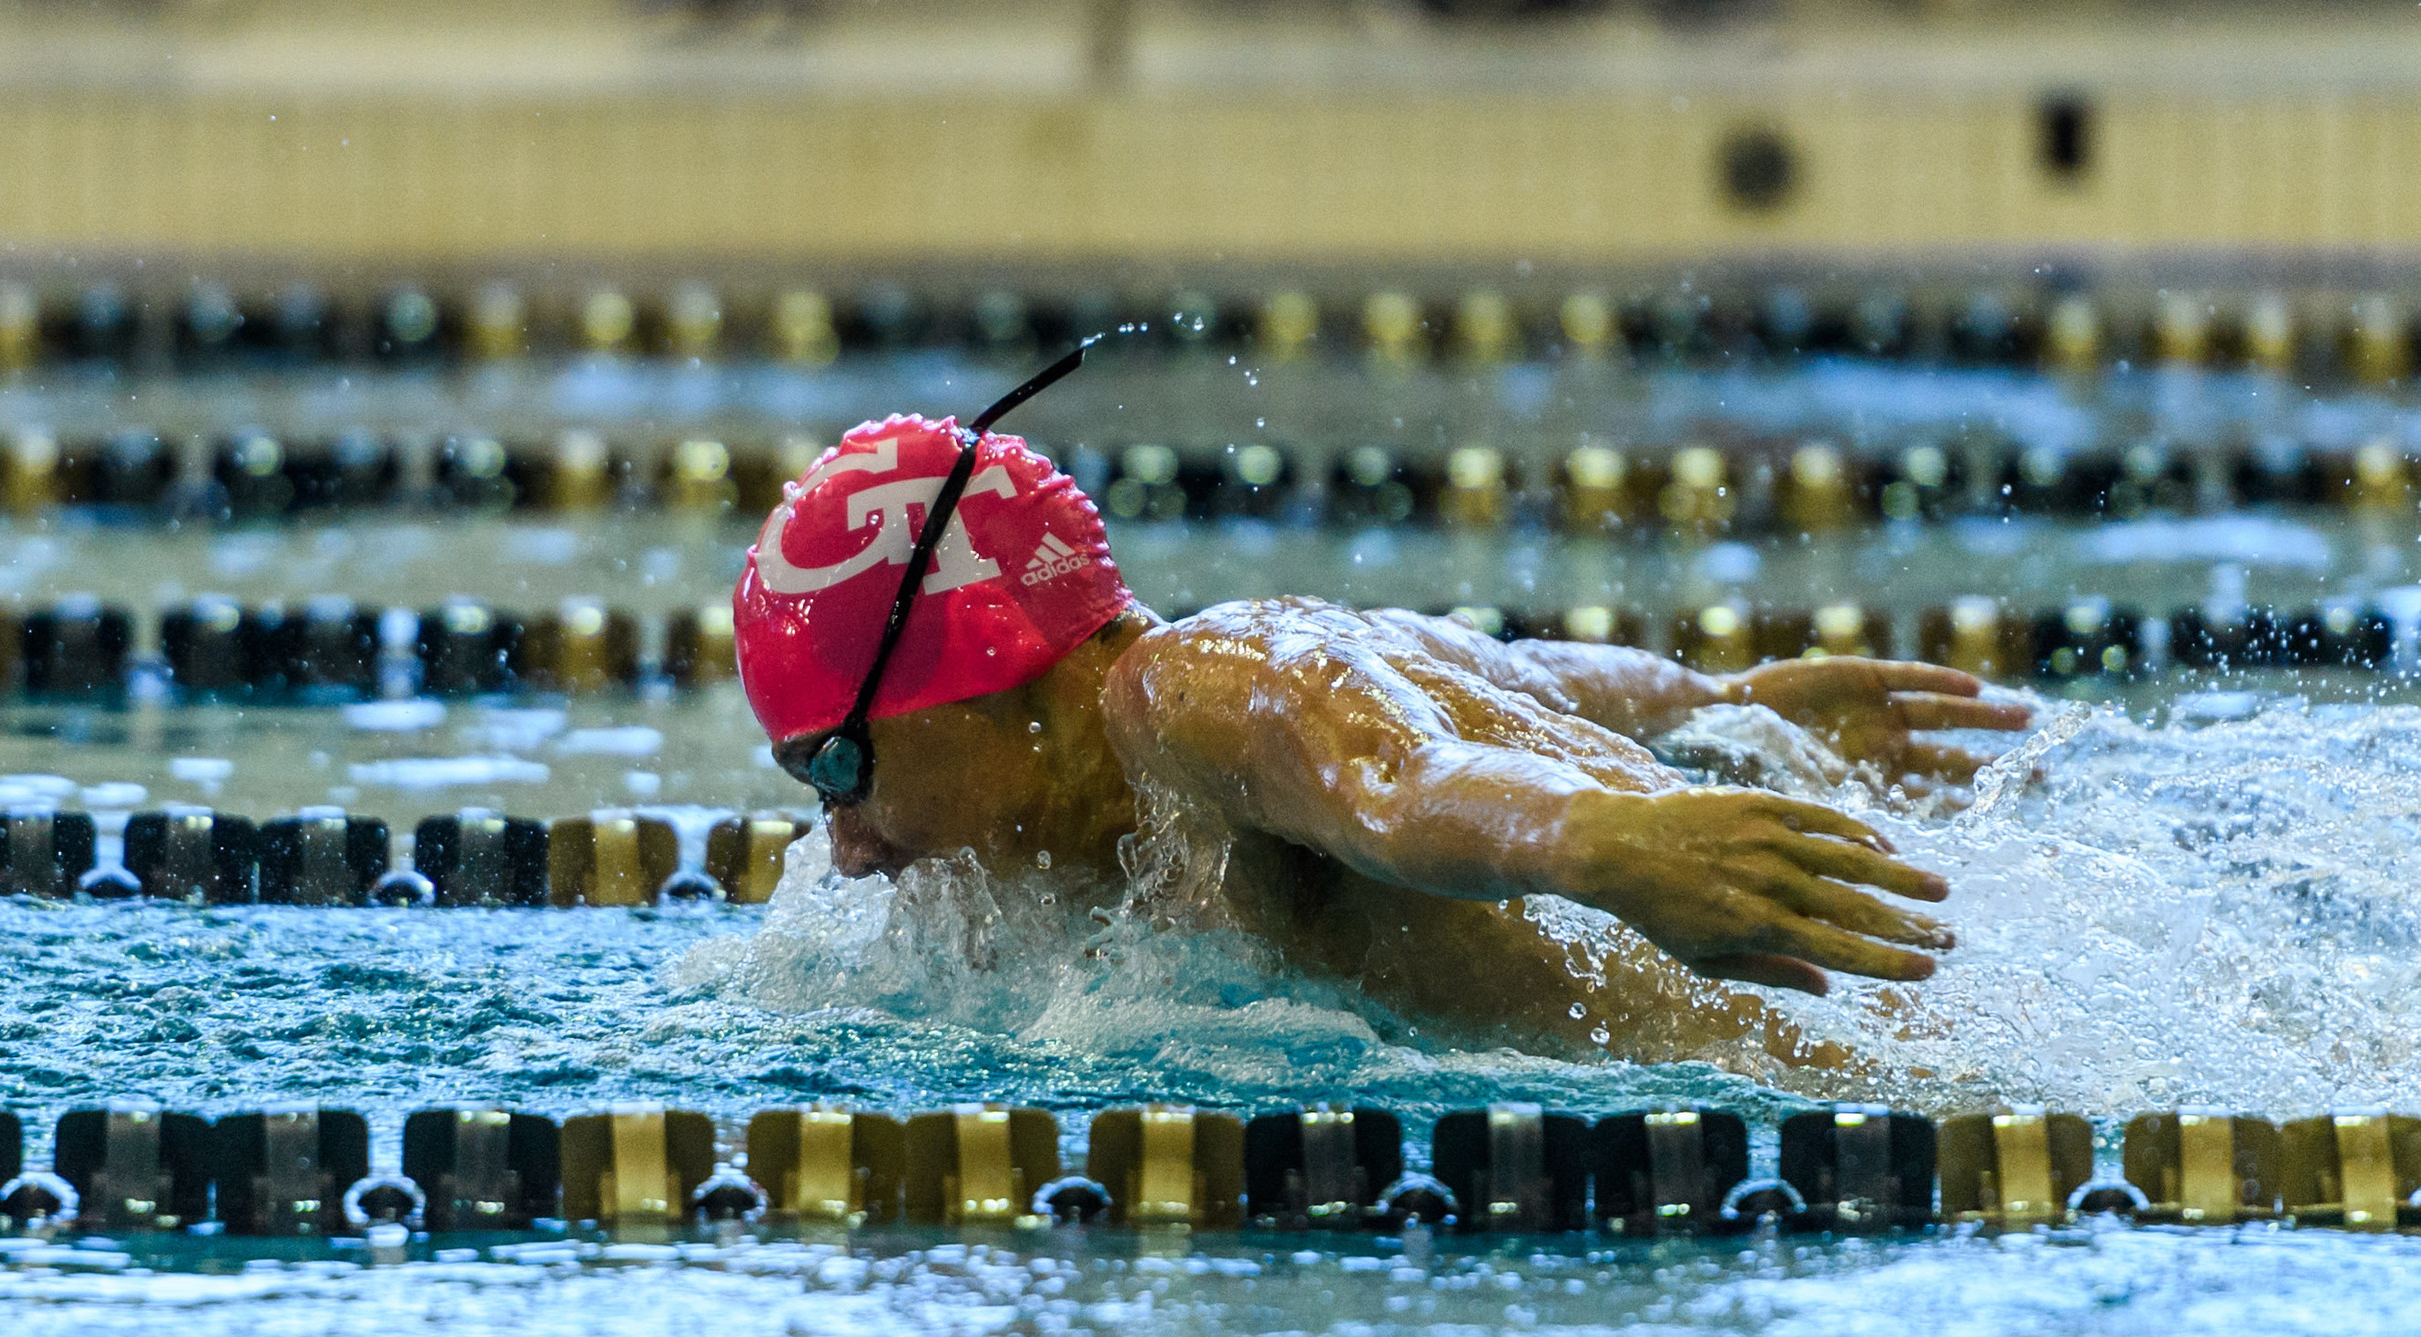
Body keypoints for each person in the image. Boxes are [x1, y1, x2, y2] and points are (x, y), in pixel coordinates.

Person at [736, 401, 2028, 1078]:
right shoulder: (1273, 670)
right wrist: (1722, 704)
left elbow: (1399, 783)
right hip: (1902, 1039)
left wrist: (1600, 845)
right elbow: (1524, 675)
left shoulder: (1178, 696)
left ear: (974, 674)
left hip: (1855, 1082)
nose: (847, 847)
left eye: (838, 766)